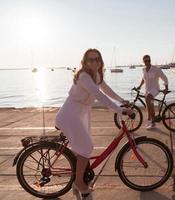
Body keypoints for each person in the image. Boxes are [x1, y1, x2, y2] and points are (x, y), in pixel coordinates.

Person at [55, 48, 130, 200]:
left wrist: (122, 101)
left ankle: (80, 178)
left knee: (82, 149)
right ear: (85, 62)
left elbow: (106, 90)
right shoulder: (83, 76)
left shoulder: (96, 75)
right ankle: (78, 183)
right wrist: (119, 110)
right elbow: (98, 95)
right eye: (91, 59)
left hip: (81, 113)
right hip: (70, 115)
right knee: (86, 147)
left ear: (101, 61)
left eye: (97, 59)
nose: (94, 62)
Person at [137, 55, 169, 129]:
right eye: (145, 61)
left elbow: (165, 78)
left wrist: (166, 88)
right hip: (147, 90)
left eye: (148, 60)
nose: (147, 62)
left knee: (148, 98)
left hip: (155, 89)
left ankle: (153, 121)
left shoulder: (156, 69)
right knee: (148, 104)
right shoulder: (144, 69)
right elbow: (143, 79)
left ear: (150, 60)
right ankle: (150, 120)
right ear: (143, 62)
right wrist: (139, 86)